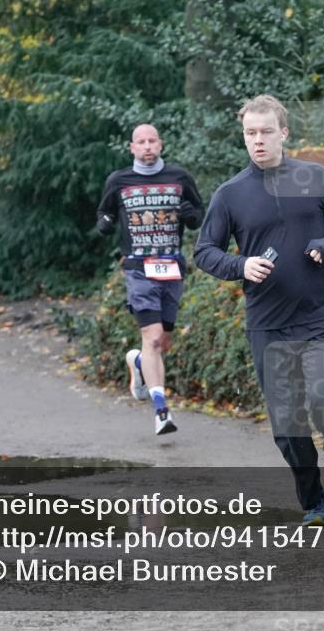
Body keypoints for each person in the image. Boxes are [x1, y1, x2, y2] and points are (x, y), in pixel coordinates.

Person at [194, 94, 324, 526]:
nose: (258, 140)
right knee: (287, 426)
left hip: (322, 313)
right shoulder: (230, 194)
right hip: (268, 323)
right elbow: (204, 251)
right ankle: (315, 504)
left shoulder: (314, 176)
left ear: (283, 132)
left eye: (266, 131)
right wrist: (240, 265)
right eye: (250, 133)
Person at [97, 124, 204, 435]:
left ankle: (140, 364)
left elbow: (197, 216)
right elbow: (104, 214)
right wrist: (105, 222)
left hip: (172, 266)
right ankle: (161, 412)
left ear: (161, 144)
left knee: (162, 342)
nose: (146, 146)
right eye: (140, 142)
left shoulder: (179, 177)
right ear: (132, 147)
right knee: (153, 337)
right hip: (138, 267)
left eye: (151, 141)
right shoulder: (118, 181)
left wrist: (189, 214)